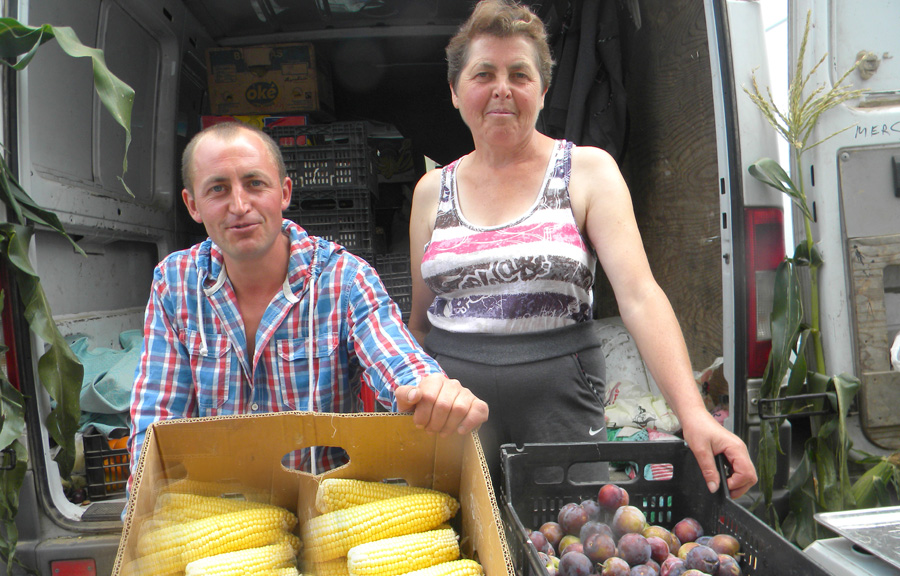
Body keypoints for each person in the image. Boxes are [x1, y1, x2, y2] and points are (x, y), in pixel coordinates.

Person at [408, 0, 757, 498]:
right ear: (455, 91)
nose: (502, 88)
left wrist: (694, 414)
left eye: (520, 74)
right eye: (483, 72)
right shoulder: (430, 192)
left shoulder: (587, 171)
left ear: (544, 91)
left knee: (569, 545)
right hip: (455, 415)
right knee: (462, 550)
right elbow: (421, 323)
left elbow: (639, 297)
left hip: (562, 406)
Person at [126, 121, 488, 490]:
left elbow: (396, 358)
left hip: (324, 502)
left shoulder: (344, 278)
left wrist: (430, 391)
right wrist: (144, 507)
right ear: (193, 205)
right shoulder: (174, 283)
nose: (239, 205)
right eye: (218, 189)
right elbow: (157, 417)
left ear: (283, 193)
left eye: (255, 184)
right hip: (222, 508)